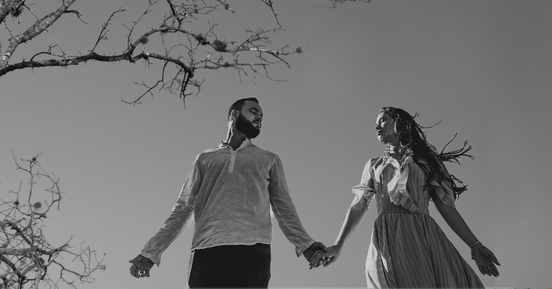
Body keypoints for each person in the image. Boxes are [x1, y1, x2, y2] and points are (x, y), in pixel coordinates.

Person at [129, 98, 327, 288]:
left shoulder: (269, 159)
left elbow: (283, 208)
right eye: (254, 111)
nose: (259, 117)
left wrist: (306, 244)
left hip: (253, 252)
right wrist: (151, 252)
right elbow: (183, 210)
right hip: (206, 251)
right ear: (234, 114)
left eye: (262, 116)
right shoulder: (204, 159)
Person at [318, 106, 501, 287]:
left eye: (382, 120)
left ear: (399, 122)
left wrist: (475, 245)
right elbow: (359, 205)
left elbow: (446, 207)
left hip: (422, 236)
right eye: (376, 123)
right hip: (386, 239)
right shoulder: (374, 164)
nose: (377, 126)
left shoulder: (427, 161)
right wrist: (338, 244)